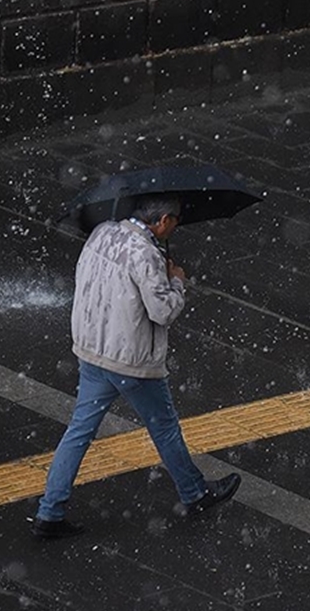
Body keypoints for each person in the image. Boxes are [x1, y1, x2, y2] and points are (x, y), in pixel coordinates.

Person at [32, 196, 241, 539]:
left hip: (91, 350)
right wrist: (176, 281)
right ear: (161, 221)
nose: (175, 226)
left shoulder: (101, 233)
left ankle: (49, 512)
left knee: (78, 432)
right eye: (175, 221)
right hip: (130, 359)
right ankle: (195, 494)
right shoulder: (145, 254)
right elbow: (163, 312)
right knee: (164, 428)